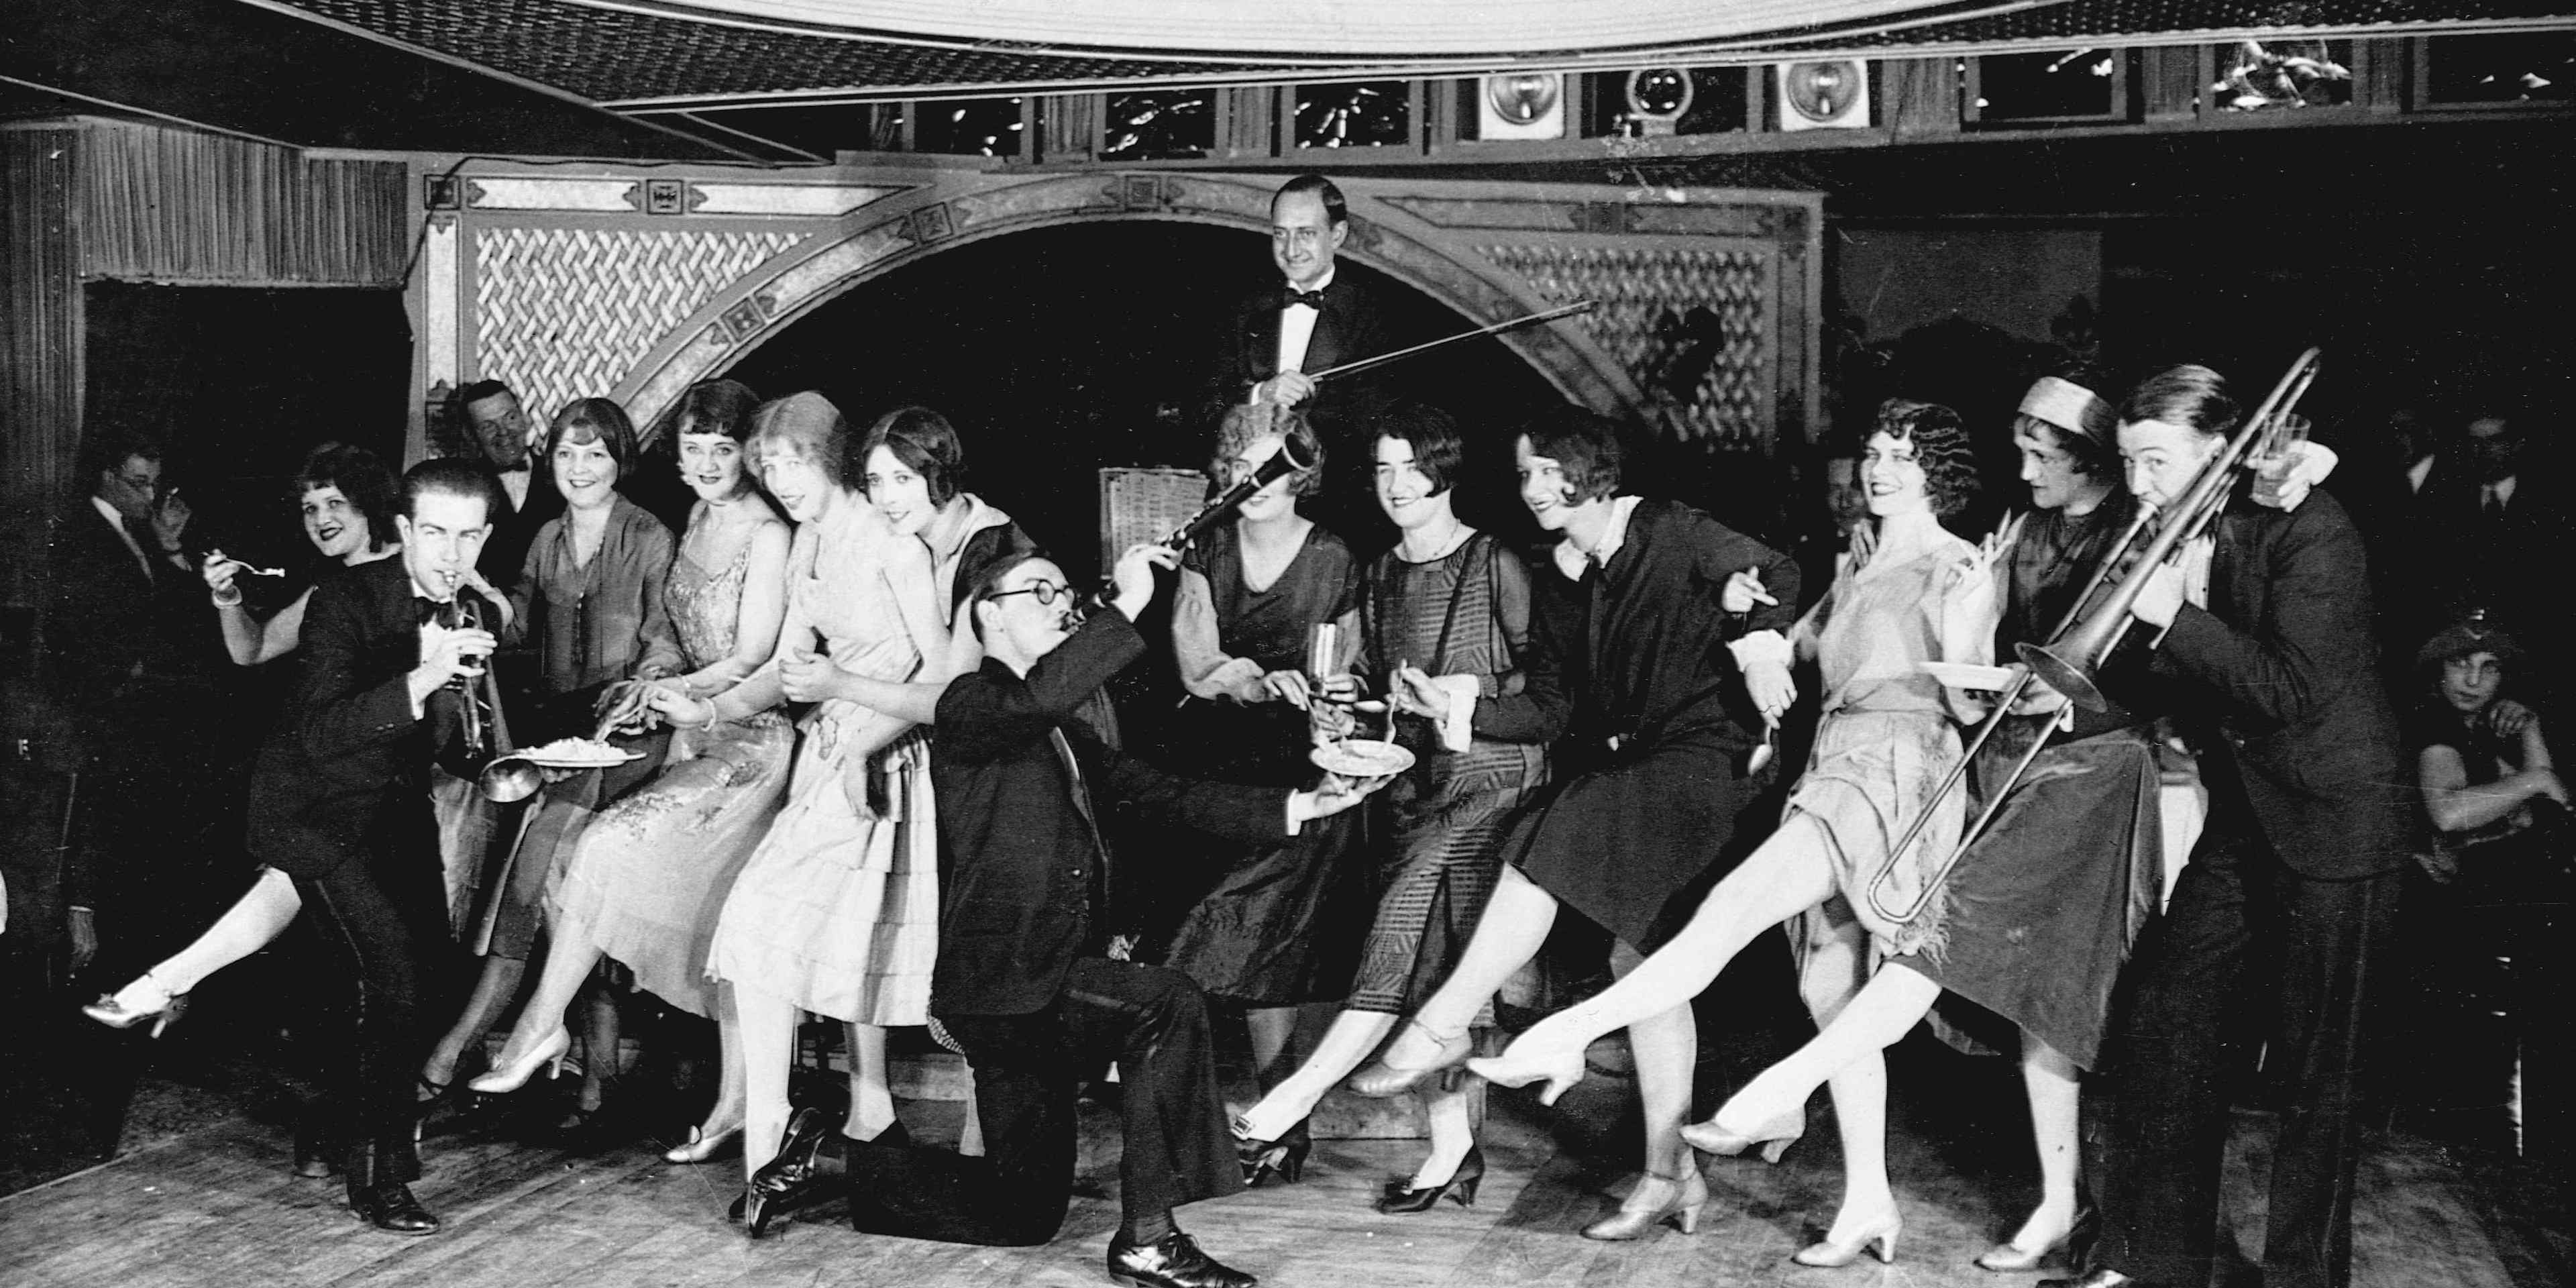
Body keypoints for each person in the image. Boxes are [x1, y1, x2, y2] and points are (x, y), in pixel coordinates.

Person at [746, 543, 1389, 1288]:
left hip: (1034, 986)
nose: (1062, 605)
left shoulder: (1058, 730)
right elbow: (1030, 703)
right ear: (989, 615)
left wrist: (1303, 806)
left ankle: (818, 1155)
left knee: (1019, 1212)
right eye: (1040, 592)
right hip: (1004, 983)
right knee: (1164, 1004)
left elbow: (1161, 793)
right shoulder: (971, 705)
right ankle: (1149, 1240)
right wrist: (1129, 604)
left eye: (1064, 592)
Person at [1463, 398, 1999, 1265]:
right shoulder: (1861, 559)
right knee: (1831, 993)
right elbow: (1800, 650)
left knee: (1729, 913)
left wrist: (1971, 617)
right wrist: (1742, 610)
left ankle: (1567, 1037)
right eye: (1873, 452)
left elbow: (1972, 701)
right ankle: (1869, 1202)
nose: (1879, 470)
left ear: (1938, 472)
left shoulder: (1959, 563)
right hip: (1836, 760)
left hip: (1901, 772)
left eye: (1901, 457)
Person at [1343, 404, 1801, 1243]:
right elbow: (1551, 709)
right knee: (1643, 962)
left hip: (1711, 755)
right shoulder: (1559, 576)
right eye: (1526, 474)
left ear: (1593, 470)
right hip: (1648, 765)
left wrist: (1762, 645)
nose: (1536, 488)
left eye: (1552, 470)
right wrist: (1457, 707)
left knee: (1557, 824)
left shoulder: (1668, 529)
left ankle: (1442, 1022)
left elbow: (1778, 570)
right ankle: (1671, 1174)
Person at [2043, 365, 2408, 1288]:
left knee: (2318, 1075)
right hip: (2248, 816)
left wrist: (2174, 616)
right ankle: (2156, 1264)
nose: (2138, 486)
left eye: (2156, 462)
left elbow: (2287, 688)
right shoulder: (2173, 533)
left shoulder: (2311, 529)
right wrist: (2061, 696)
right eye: (2128, 463)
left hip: (2338, 819)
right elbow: (2170, 680)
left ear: (2219, 452)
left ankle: (2302, 1279)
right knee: (2165, 1024)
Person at [92, 458, 506, 1234]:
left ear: (485, 537)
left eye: (468, 537)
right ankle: (378, 1181)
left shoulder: (468, 605)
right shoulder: (345, 598)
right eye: (436, 534)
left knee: (420, 978)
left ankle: (367, 1140)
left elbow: (444, 746)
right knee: (393, 977)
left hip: (392, 811)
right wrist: (424, 679)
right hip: (313, 809)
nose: (452, 554)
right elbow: (320, 732)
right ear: (406, 530)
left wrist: (494, 733)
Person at [1226, 403, 1550, 1210]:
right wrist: (1345, 695)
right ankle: (1452, 1153)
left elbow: (1544, 686)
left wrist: (1465, 696)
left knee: (1397, 932)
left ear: (1445, 472)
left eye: (1413, 467)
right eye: (1383, 469)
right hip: (1417, 785)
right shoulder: (1378, 573)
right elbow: (1377, 686)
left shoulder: (1493, 560)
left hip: (1495, 783)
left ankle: (1290, 1100)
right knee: (1435, 972)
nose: (1397, 485)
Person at [464, 381, 793, 1168]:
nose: (707, 464)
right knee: (580, 862)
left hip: (748, 743)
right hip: (685, 733)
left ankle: (543, 1026)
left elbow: (753, 658)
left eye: (723, 448)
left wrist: (672, 692)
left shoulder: (766, 532)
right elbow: (671, 633)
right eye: (694, 448)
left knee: (600, 851)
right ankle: (703, 1095)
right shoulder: (697, 519)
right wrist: (657, 685)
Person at [642, 391, 953, 1225]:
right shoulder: (810, 540)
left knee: (793, 939)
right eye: (769, 465)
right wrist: (708, 708)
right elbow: (785, 670)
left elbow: (943, 682)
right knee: (776, 943)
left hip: (885, 764)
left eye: (794, 463)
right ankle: (792, 1131)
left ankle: (811, 1127)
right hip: (827, 759)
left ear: (833, 460)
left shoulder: (893, 544)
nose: (779, 480)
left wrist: (859, 742)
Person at [85, 445, 417, 1110]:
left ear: (370, 506)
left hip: (385, 786)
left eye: (334, 504)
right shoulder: (331, 587)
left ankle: (165, 985)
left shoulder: (412, 575)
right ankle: (168, 985)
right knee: (339, 934)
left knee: (327, 923)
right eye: (309, 508)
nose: (320, 519)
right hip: (331, 779)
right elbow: (252, 648)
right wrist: (228, 598)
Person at [427, 397, 682, 1125]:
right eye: (567, 454)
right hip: (565, 737)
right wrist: (478, 601)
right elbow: (516, 622)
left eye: (595, 454)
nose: (579, 468)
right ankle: (598, 1083)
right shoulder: (546, 536)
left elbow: (664, 638)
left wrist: (643, 690)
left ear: (619, 460)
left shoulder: (648, 534)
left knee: (540, 868)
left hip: (631, 732)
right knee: (562, 892)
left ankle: (453, 1056)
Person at [1157, 400, 1366, 1097]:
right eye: (1241, 468)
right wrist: (1255, 683)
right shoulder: (1207, 548)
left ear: (1300, 474)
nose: (1255, 483)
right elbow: (1198, 665)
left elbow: (1344, 672)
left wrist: (1324, 695)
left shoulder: (1334, 556)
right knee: (1198, 921)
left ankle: (1281, 1109)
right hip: (1214, 752)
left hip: (1299, 760)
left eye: (1273, 468)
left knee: (1271, 924)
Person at [1212, 174, 1393, 529]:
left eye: (1306, 233)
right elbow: (1203, 404)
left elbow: (1374, 429)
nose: (1291, 250)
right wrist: (1260, 394)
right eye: (1281, 234)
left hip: (1332, 511)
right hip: (1242, 506)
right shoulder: (1244, 306)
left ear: (1337, 235)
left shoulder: (1374, 313)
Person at [450, 380, 559, 592]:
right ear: (471, 435)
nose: (503, 432)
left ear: (524, 418)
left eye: (510, 418)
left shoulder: (560, 476)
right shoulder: (464, 488)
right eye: (488, 426)